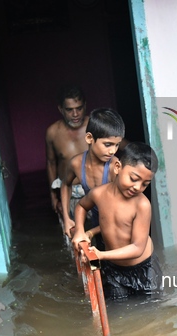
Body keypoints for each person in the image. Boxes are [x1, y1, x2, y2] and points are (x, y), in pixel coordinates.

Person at [72, 142, 162, 300]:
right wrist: (81, 231)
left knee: (152, 310)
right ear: (118, 167)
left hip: (144, 269)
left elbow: (137, 248)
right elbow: (81, 206)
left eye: (145, 184)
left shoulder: (142, 205)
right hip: (114, 268)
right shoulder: (99, 194)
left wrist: (101, 255)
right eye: (134, 178)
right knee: (118, 310)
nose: (137, 187)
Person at [60, 108, 125, 238]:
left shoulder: (114, 167)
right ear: (90, 138)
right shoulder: (76, 164)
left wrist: (89, 233)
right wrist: (67, 218)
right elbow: (65, 184)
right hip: (98, 223)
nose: (113, 151)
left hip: (119, 230)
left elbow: (122, 214)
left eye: (117, 145)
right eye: (108, 144)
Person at [45, 85, 89, 214]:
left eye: (79, 108)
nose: (75, 114)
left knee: (103, 232)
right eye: (69, 110)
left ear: (85, 106)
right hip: (68, 193)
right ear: (61, 109)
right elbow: (51, 163)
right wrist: (54, 197)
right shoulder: (52, 132)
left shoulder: (95, 126)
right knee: (71, 232)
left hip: (96, 190)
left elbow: (120, 145)